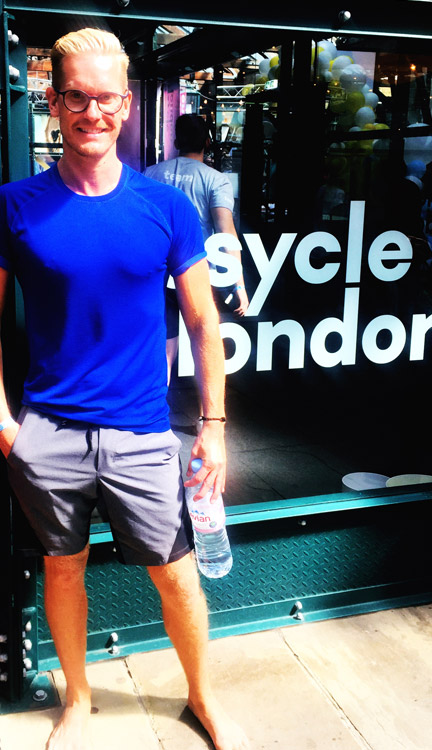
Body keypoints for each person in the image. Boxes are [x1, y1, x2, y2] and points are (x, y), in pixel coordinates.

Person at [0, 28, 249, 750]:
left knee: (177, 578)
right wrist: (6, 425)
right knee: (63, 569)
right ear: (54, 102)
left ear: (127, 106)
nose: (93, 112)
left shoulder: (166, 207)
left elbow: (203, 323)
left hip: (142, 433)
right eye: (77, 96)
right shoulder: (15, 205)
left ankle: (203, 698)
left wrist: (214, 426)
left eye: (107, 98)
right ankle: (77, 700)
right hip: (48, 433)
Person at [145, 114, 249, 380]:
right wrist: (238, 285)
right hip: (198, 273)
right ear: (207, 142)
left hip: (158, 273)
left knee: (164, 349)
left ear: (176, 141)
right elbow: (226, 233)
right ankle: (208, 406)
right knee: (205, 343)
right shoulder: (216, 180)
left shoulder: (151, 174)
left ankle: (161, 402)